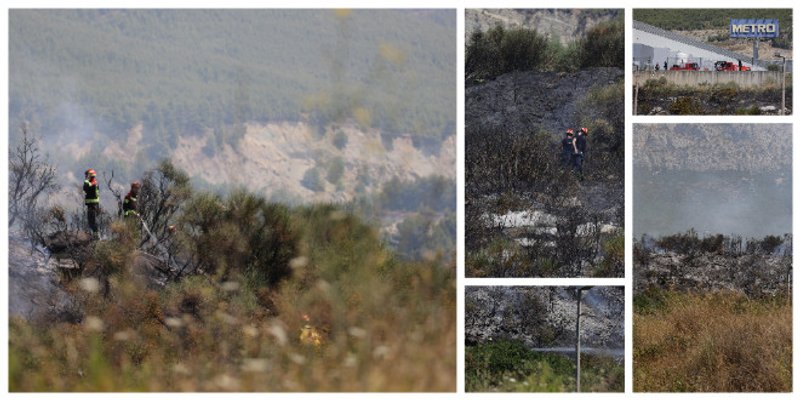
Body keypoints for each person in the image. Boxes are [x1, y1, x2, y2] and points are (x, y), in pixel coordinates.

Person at [83, 169, 100, 236]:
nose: (85, 177)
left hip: (93, 206)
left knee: (92, 221)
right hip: (92, 205)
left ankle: (96, 236)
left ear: (89, 176)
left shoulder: (92, 183)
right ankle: (95, 235)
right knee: (91, 222)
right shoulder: (93, 183)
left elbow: (85, 188)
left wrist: (86, 180)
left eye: (86, 175)